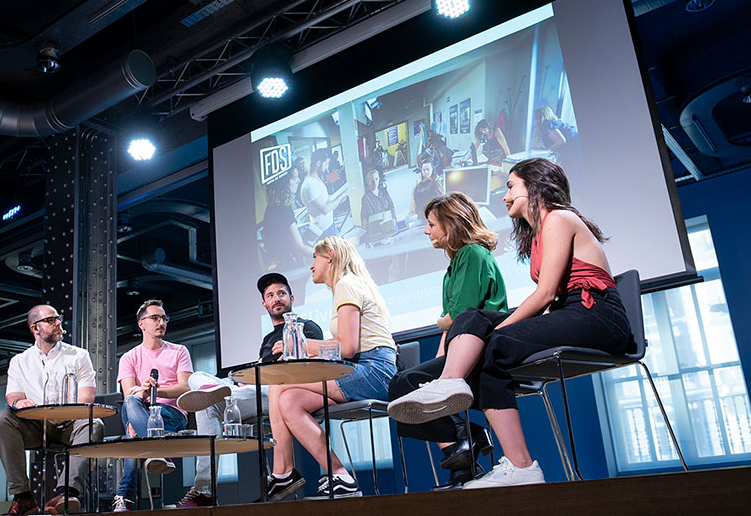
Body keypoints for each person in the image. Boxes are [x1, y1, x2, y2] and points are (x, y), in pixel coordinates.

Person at [388, 158, 630, 489]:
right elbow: (550, 300)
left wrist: (498, 331)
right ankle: (514, 461)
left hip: (598, 315)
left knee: (493, 344)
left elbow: (545, 294)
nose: (504, 196)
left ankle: (515, 460)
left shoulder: (559, 218)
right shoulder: (538, 234)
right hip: (569, 312)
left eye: (511, 186)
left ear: (536, 185)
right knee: (474, 320)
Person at [168, 273, 324, 508]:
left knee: (207, 404)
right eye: (270, 295)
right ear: (264, 304)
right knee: (196, 378)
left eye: (281, 293)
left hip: (280, 391)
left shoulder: (307, 328)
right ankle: (215, 392)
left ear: (291, 298)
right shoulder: (268, 338)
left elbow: (309, 368)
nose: (276, 299)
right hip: (253, 390)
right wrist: (244, 379)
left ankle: (204, 490)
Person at [387, 193, 507, 490]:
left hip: (483, 350)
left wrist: (444, 323)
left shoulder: (472, 254)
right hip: (462, 348)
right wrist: (441, 361)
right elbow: (452, 324)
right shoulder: (455, 264)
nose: (426, 231)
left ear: (450, 224)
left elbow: (460, 315)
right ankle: (464, 457)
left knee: (405, 383)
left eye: (431, 224)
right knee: (407, 385)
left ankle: (467, 438)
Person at [266, 236, 398, 500]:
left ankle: (283, 472)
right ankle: (340, 475)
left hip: (375, 371)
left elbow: (347, 347)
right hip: (362, 368)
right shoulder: (347, 286)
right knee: (290, 401)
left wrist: (301, 345)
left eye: (315, 257)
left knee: (278, 384)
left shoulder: (347, 285)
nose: (311, 265)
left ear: (331, 255)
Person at [0, 305, 104, 516]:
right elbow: (13, 397)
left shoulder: (79, 355)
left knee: (94, 424)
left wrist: (62, 415)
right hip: (35, 426)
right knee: (0, 418)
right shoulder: (19, 361)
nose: (59, 323)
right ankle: (22, 497)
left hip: (70, 424)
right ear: (35, 328)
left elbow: (86, 399)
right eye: (51, 320)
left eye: (58, 318)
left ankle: (66, 493)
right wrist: (19, 403)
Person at [113, 300, 193, 511]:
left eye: (164, 318)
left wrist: (156, 392)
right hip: (141, 409)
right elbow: (129, 393)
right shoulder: (129, 357)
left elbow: (185, 387)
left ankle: (125, 496)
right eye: (155, 318)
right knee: (131, 403)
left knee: (133, 435)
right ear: (142, 324)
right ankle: (158, 449)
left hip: (171, 413)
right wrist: (143, 391)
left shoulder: (179, 351)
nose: (161, 323)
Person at [260, 174, 312, 269]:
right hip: (289, 266)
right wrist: (325, 255)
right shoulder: (283, 209)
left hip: (282, 263)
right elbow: (299, 248)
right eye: (294, 178)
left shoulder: (272, 207)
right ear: (284, 183)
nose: (299, 181)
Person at [300, 149, 350, 238]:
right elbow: (325, 209)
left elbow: (324, 199)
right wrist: (342, 195)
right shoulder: (309, 185)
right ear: (318, 163)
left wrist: (337, 200)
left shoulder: (316, 179)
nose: (327, 167)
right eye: (326, 164)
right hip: (324, 230)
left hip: (329, 225)